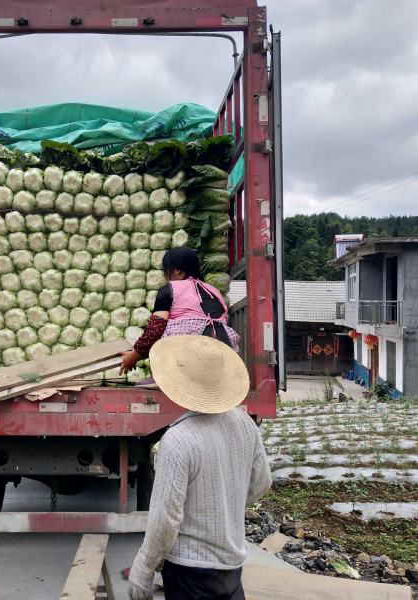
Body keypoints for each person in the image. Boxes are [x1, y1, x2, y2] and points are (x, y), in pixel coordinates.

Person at [127, 335, 271, 600]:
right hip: (232, 567)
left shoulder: (178, 440)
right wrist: (224, 508)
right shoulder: (245, 424)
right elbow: (262, 481)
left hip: (189, 572)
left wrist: (143, 568)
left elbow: (165, 519)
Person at [120, 246, 240, 375]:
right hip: (221, 355)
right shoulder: (214, 291)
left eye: (166, 272)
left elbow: (155, 330)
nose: (166, 277)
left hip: (186, 358)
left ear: (177, 271)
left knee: (161, 328)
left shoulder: (169, 289)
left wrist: (132, 357)